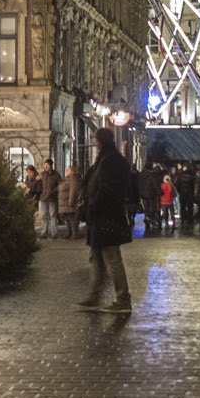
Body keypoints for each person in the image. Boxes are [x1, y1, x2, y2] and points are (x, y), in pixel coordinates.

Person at [77, 129, 133, 313]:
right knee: (96, 258)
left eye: (96, 140)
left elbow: (106, 189)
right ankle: (94, 296)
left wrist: (93, 205)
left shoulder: (110, 161)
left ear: (101, 141)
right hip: (101, 217)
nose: (95, 143)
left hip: (106, 217)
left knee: (112, 258)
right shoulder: (107, 160)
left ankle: (123, 299)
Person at [135, 164, 164, 235]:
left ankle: (147, 219)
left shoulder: (140, 175)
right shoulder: (151, 175)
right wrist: (160, 192)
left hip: (142, 194)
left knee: (146, 208)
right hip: (151, 194)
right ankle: (149, 219)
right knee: (152, 208)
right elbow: (155, 184)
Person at [38, 160, 63, 239]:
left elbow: (60, 185)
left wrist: (53, 191)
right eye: (45, 165)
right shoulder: (42, 174)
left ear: (51, 166)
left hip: (52, 198)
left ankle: (54, 233)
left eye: (47, 165)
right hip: (43, 198)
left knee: (53, 215)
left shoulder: (56, 175)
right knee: (44, 216)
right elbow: (38, 184)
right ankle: (43, 232)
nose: (45, 166)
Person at [58, 165, 84, 240]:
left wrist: (71, 202)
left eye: (68, 170)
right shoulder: (67, 179)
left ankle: (75, 233)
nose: (66, 172)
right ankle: (69, 232)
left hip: (68, 202)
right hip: (64, 203)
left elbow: (73, 191)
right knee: (67, 219)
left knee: (72, 219)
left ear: (72, 172)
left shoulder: (72, 179)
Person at [173, 164, 197, 231]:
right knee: (190, 208)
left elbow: (176, 185)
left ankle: (183, 220)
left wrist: (180, 191)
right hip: (190, 194)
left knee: (182, 207)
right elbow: (194, 186)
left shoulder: (179, 176)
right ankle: (190, 221)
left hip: (182, 194)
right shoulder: (192, 176)